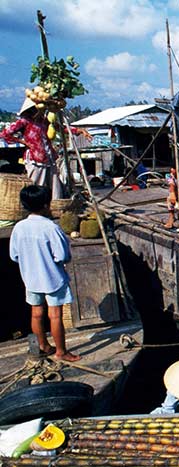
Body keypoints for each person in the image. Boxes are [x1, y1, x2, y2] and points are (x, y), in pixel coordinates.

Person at [9, 185, 80, 361]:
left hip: (30, 278)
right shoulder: (51, 228)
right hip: (52, 278)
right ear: (46, 205)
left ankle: (43, 345)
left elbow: (14, 255)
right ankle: (61, 351)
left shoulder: (19, 227)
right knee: (55, 314)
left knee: (36, 312)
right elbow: (62, 255)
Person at [0, 98, 91, 200]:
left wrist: (79, 130)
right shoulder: (25, 121)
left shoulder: (45, 122)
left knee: (55, 187)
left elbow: (61, 128)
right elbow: (5, 134)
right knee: (37, 186)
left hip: (48, 157)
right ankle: (35, 209)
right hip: (35, 158)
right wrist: (23, 142)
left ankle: (55, 207)